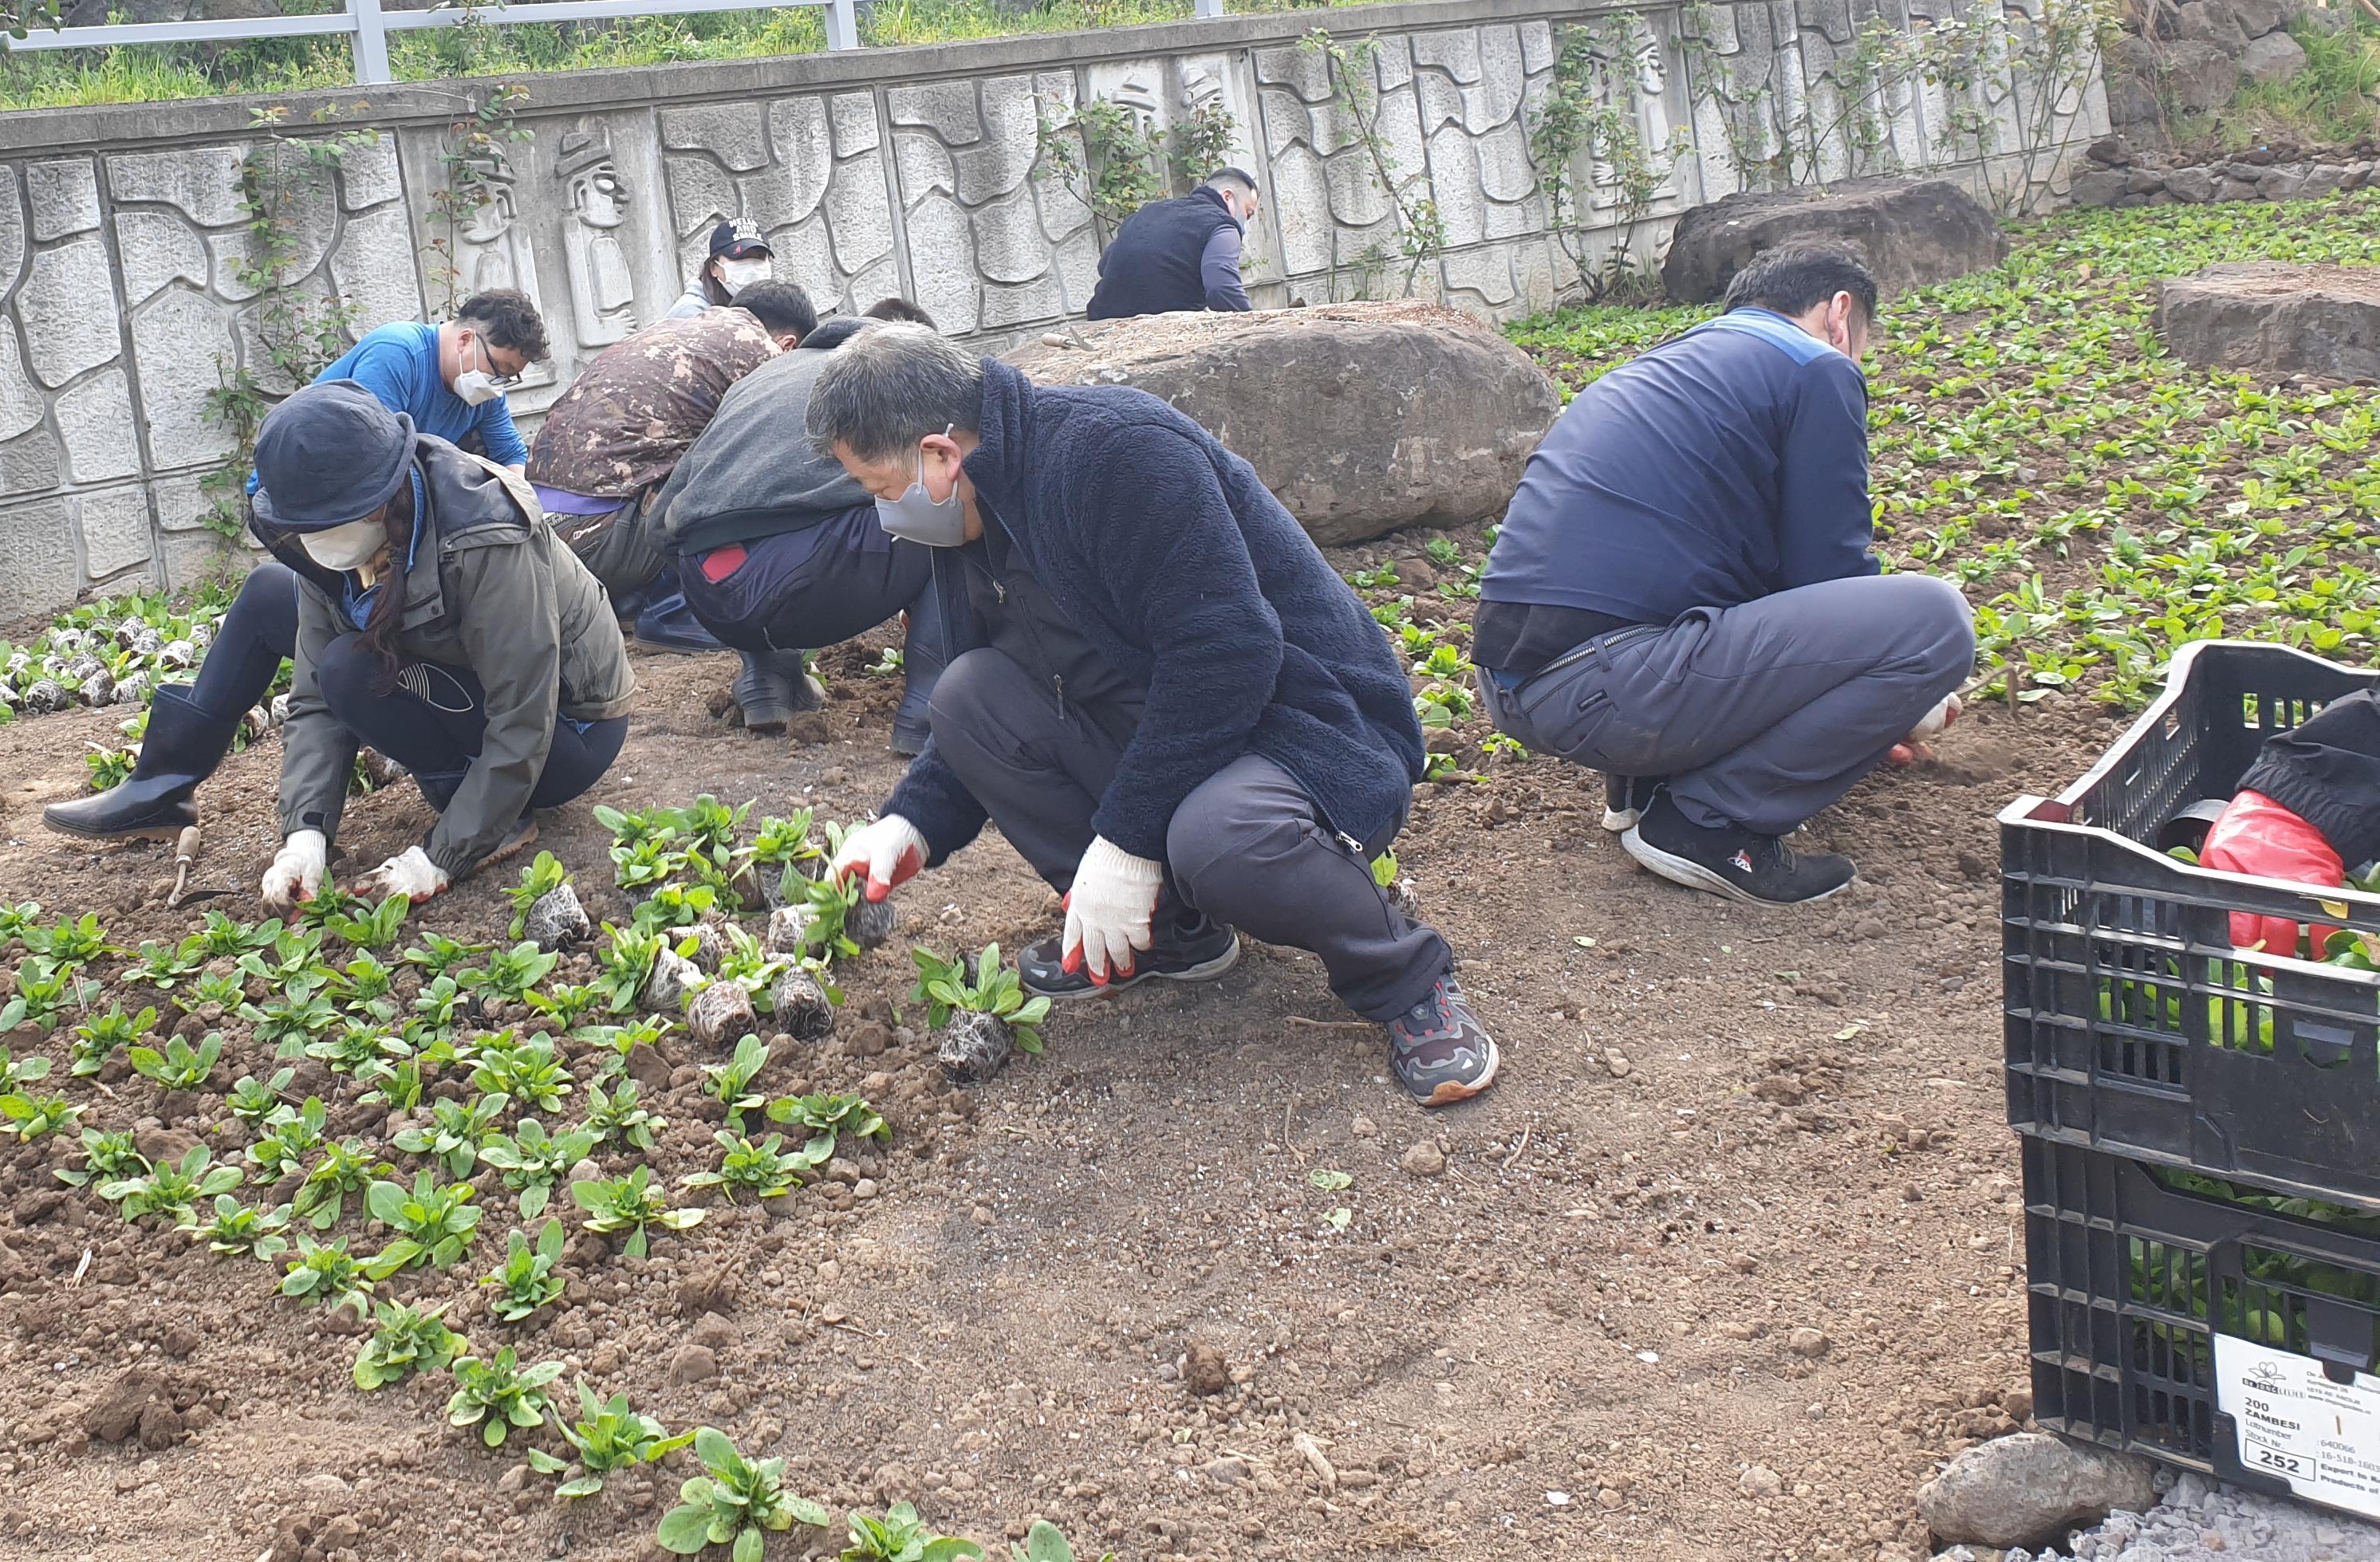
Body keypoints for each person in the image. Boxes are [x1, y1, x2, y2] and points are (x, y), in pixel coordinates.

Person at [811, 325, 1500, 1108]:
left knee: (1219, 839)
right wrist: (909, 824)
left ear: (939, 455)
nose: (881, 512)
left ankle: (1406, 979)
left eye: (876, 487)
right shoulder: (980, 510)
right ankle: (1172, 934)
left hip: (1307, 723)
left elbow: (1230, 652)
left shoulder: (1114, 454)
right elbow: (1021, 672)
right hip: (1180, 721)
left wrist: (1128, 839)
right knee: (967, 695)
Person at [1472, 239, 1975, 907]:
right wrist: (1901, 697)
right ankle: (1707, 822)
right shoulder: (1816, 366)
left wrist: (1849, 713)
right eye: (1861, 343)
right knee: (1934, 625)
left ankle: (1647, 787)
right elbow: (1831, 578)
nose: (1857, 361)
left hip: (1520, 682)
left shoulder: (1669, 367)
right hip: (1607, 684)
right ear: (1839, 313)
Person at [44, 380, 631, 891]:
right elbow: (312, 699)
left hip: (569, 732)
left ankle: (487, 812)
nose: (313, 542)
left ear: (378, 503)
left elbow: (524, 716)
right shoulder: (325, 550)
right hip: (465, 684)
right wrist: (304, 835)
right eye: (302, 528)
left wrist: (440, 856)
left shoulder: (483, 536)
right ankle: (163, 785)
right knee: (275, 598)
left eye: (324, 526)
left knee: (351, 668)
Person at [656, 328, 944, 746]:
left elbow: (660, 524)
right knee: (950, 510)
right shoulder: (881, 377)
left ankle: (766, 679)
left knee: (767, 530)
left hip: (706, 587)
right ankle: (929, 709)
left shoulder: (755, 382)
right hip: (806, 577)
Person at [523, 280, 817, 680]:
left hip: (548, 541)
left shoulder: (675, 331)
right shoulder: (759, 352)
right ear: (788, 345)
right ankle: (672, 610)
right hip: (600, 539)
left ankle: (632, 600)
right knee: (755, 471)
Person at [308, 290, 546, 472]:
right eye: (500, 368)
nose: (499, 382)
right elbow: (374, 455)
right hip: (317, 475)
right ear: (465, 341)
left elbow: (510, 455)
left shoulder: (485, 389)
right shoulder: (396, 353)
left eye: (508, 376)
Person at [1085, 168, 1260, 320]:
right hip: (1165, 330)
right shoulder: (1223, 227)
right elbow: (1222, 290)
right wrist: (1253, 328)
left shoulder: (1149, 211)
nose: (1245, 222)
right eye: (1248, 212)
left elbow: (1105, 265)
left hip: (1101, 320)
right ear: (1228, 197)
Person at [664, 216, 778, 323]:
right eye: (739, 257)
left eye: (759, 256)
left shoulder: (771, 308)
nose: (752, 267)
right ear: (714, 268)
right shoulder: (691, 315)